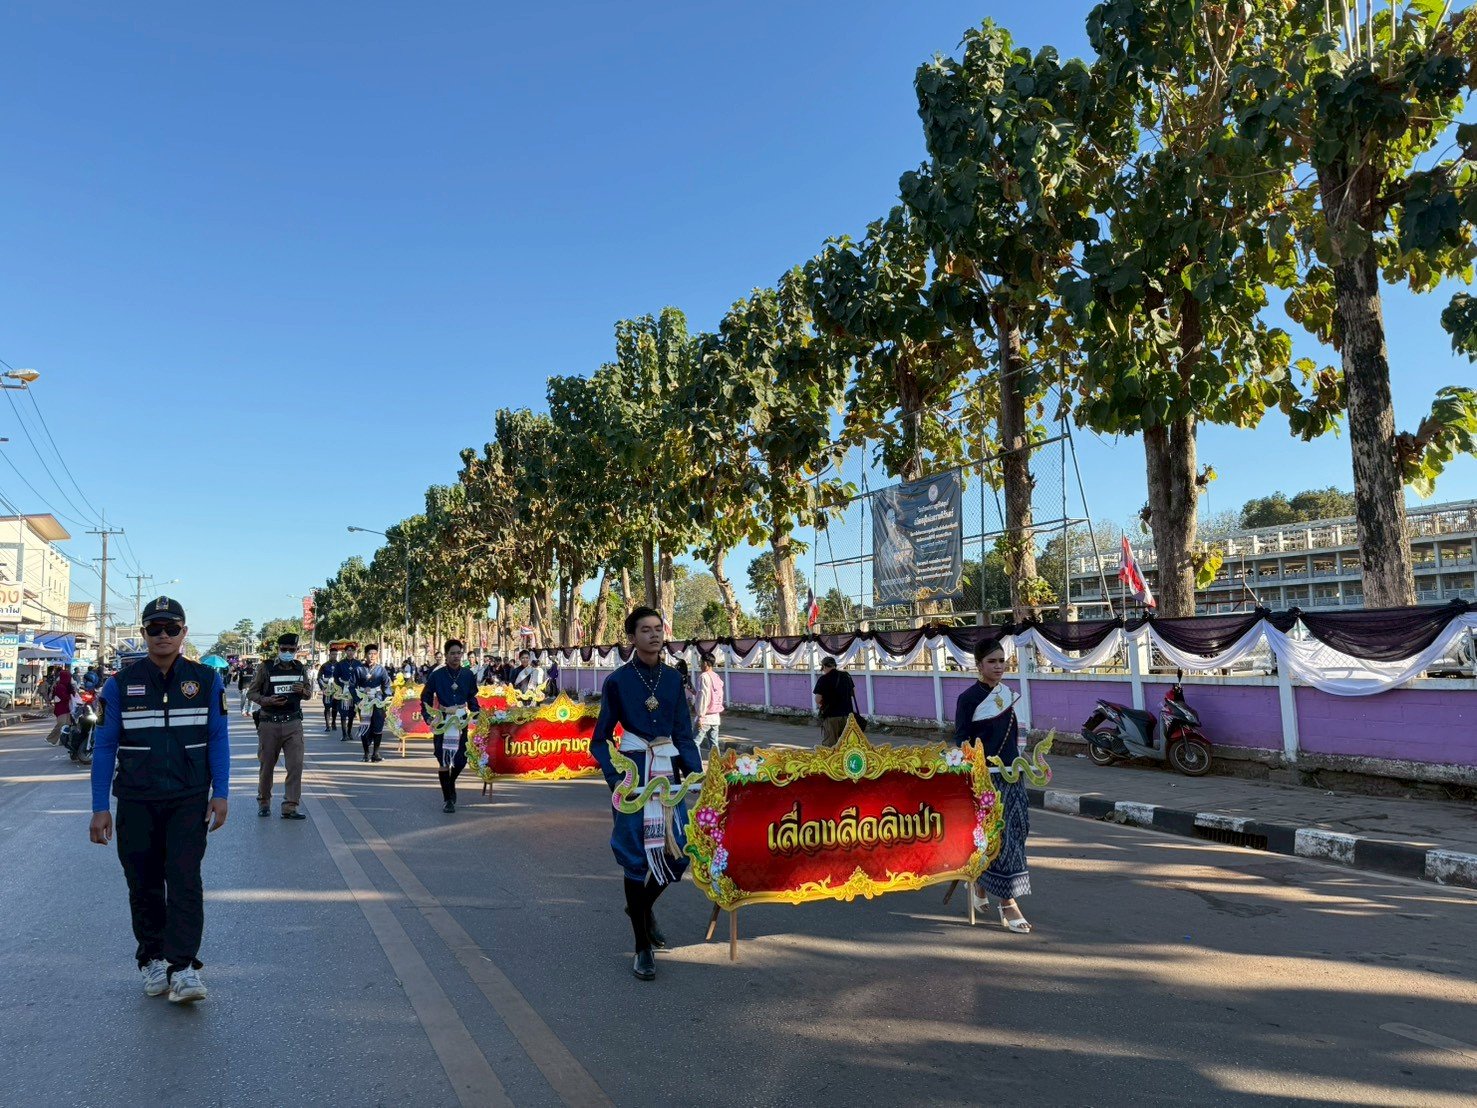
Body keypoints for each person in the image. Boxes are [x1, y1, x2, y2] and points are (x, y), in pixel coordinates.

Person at [88, 596, 229, 1003]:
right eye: (154, 628)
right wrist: (100, 806)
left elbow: (217, 739)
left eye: (171, 628)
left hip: (188, 798)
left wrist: (220, 793)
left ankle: (183, 968)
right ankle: (152, 959)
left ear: (184, 632)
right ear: (144, 633)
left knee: (185, 881)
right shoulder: (119, 684)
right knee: (143, 883)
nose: (163, 635)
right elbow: (104, 747)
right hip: (136, 800)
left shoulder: (207, 681)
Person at [591, 607, 701, 982]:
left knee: (678, 852)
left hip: (667, 774)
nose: (654, 635)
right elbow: (600, 738)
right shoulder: (618, 681)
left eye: (658, 629)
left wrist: (695, 774)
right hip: (634, 776)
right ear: (632, 637)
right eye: (645, 629)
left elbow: (682, 732)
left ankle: (639, 907)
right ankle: (642, 946)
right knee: (636, 860)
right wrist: (615, 777)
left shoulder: (672, 679)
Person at [952, 637, 1032, 934]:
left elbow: (1013, 737)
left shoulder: (1007, 695)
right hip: (986, 779)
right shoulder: (969, 698)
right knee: (996, 838)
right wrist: (975, 768)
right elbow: (962, 739)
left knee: (1018, 832)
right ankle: (1008, 902)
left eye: (1001, 661)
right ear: (979, 665)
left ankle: (981, 885)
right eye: (992, 662)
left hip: (1013, 775)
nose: (998, 667)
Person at [248, 632, 312, 820]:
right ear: (278, 649)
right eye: (284, 649)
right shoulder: (265, 667)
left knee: (295, 766)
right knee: (267, 766)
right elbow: (252, 693)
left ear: (296, 650)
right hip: (269, 723)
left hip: (293, 723)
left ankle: (290, 806)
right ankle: (264, 803)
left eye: (291, 649)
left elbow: (309, 693)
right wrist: (268, 700)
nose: (287, 652)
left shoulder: (300, 668)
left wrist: (303, 691)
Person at [420, 639, 481, 813]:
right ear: (446, 655)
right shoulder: (437, 675)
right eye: (452, 653)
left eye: (458, 653)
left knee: (461, 759)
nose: (456, 656)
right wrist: (428, 717)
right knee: (443, 759)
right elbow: (425, 697)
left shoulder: (468, 674)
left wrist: (476, 713)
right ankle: (447, 799)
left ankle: (451, 781)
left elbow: (472, 697)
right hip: (443, 721)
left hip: (461, 721)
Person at [350, 642, 394, 763]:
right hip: (364, 702)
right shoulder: (359, 669)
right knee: (365, 727)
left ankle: (376, 753)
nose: (372, 656)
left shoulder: (381, 670)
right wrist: (357, 700)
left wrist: (386, 700)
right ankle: (366, 754)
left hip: (378, 701)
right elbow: (352, 686)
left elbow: (387, 686)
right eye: (370, 653)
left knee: (378, 726)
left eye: (375, 653)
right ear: (365, 655)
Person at [812, 656, 855, 747]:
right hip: (847, 715)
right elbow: (853, 693)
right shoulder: (846, 676)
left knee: (830, 745)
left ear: (824, 666)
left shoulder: (823, 679)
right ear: (834, 665)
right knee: (846, 745)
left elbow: (817, 699)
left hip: (831, 716)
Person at [693, 653, 725, 759]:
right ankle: (717, 766)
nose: (700, 665)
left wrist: (700, 716)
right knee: (714, 744)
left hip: (705, 717)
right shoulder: (716, 677)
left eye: (701, 662)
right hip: (715, 717)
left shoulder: (703, 677)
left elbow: (703, 696)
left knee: (694, 743)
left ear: (705, 663)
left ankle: (697, 766)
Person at [333, 642, 360, 741]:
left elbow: (361, 676)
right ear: (345, 652)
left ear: (354, 652)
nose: (350, 652)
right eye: (348, 650)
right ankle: (344, 734)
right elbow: (336, 677)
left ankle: (349, 732)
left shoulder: (358, 663)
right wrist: (340, 686)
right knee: (343, 713)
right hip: (344, 690)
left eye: (352, 650)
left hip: (354, 691)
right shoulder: (340, 663)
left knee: (352, 713)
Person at [46, 663, 73, 747]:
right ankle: (50, 739)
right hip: (61, 708)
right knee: (61, 723)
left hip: (67, 708)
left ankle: (63, 741)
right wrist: (70, 696)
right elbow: (64, 697)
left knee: (67, 724)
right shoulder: (60, 687)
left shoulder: (66, 686)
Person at [318, 644, 341, 732]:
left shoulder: (339, 665)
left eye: (336, 654)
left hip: (336, 690)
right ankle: (327, 725)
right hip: (327, 689)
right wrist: (322, 687)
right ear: (329, 655)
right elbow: (319, 677)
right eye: (333, 654)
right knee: (327, 707)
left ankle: (333, 722)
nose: (334, 656)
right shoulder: (324, 665)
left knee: (335, 707)